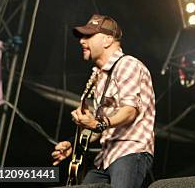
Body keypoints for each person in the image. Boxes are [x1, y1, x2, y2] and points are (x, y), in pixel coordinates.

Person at [51, 15, 155, 188]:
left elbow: (130, 111)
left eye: (88, 36)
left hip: (130, 150)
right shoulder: (99, 76)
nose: (82, 41)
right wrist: (72, 143)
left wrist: (98, 123)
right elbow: (99, 127)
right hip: (105, 157)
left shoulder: (127, 64)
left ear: (107, 40)